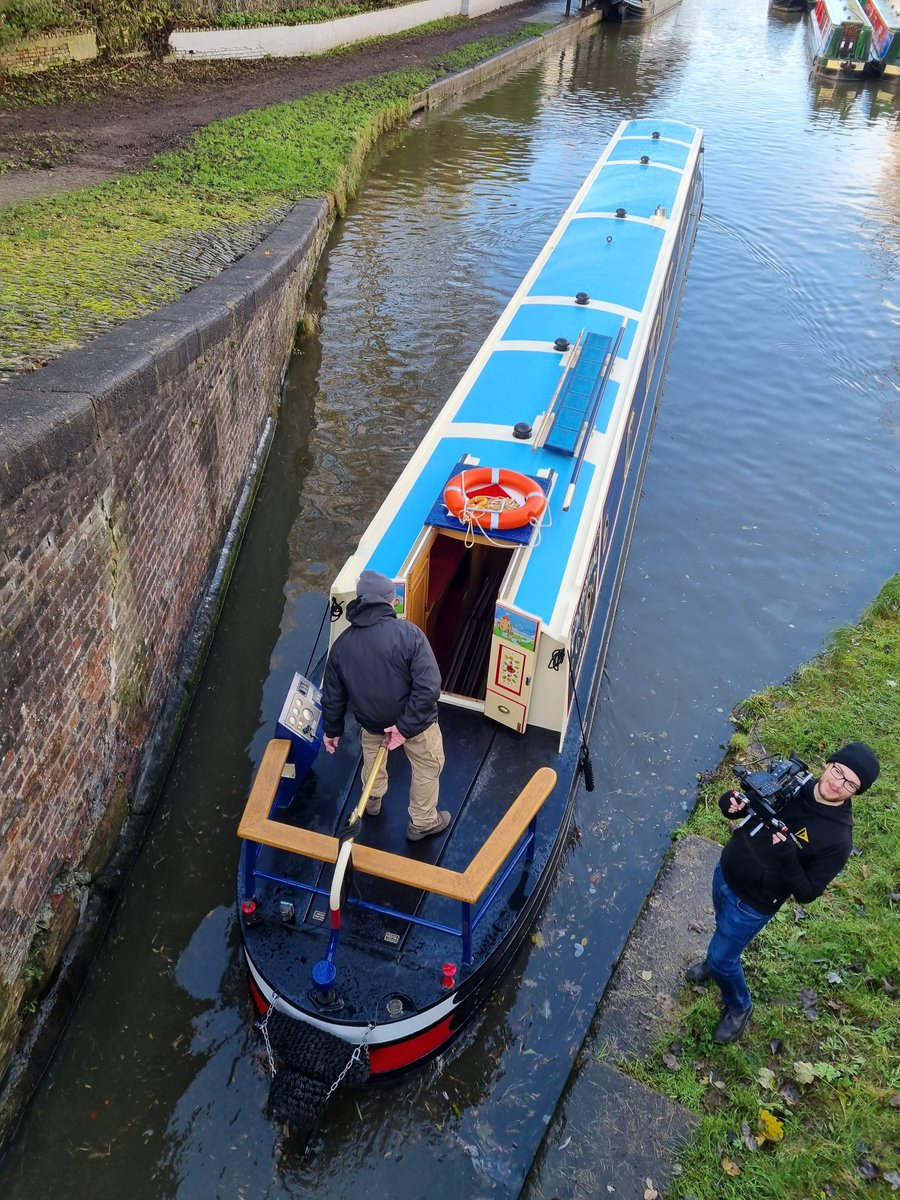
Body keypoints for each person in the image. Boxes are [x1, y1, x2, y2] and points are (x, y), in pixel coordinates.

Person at [686, 742, 880, 1045]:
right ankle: (715, 964)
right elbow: (745, 807)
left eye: (850, 784)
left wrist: (789, 855)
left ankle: (739, 1006)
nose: (836, 783)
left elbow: (807, 892)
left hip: (753, 903)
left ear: (856, 792)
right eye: (837, 771)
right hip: (725, 871)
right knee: (721, 930)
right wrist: (731, 803)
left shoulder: (838, 839)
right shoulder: (791, 780)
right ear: (828, 764)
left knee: (725, 956)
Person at [321, 569, 449, 841]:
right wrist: (404, 728)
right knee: (428, 765)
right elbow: (428, 687)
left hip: (372, 723)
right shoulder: (410, 635)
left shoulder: (341, 647)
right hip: (414, 726)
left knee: (372, 759)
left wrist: (332, 731)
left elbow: (334, 696)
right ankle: (423, 822)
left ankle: (373, 800)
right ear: (389, 602)